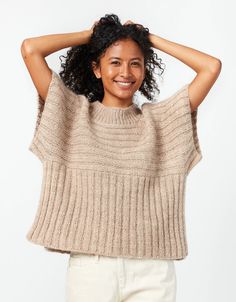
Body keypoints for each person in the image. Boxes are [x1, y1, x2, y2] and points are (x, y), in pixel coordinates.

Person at [21, 13, 221, 302]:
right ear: (97, 68)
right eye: (114, 61)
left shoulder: (161, 121)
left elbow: (211, 67)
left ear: (144, 69)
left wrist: (149, 40)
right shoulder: (73, 115)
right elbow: (30, 50)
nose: (125, 72)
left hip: (153, 268)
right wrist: (91, 36)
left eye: (135, 62)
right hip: (92, 267)